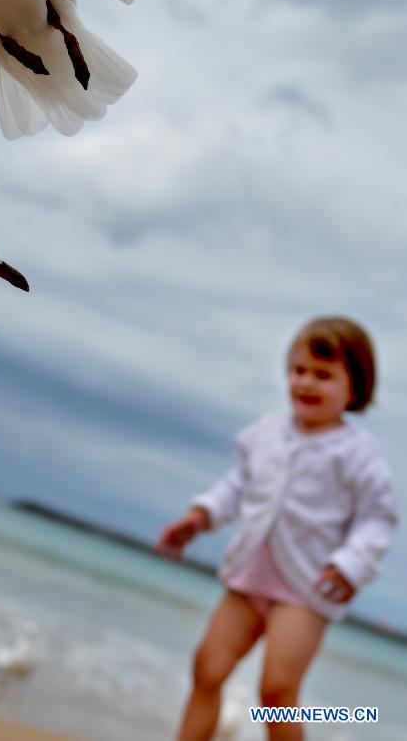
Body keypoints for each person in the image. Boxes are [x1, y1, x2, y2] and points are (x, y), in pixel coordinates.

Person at [156, 316, 398, 741]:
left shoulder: (359, 455)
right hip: (250, 576)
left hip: (307, 588)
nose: (306, 383)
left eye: (323, 375)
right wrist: (202, 516)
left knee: (277, 690)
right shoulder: (264, 434)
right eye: (299, 371)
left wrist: (351, 564)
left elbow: (378, 519)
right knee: (207, 667)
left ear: (355, 389)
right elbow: (237, 485)